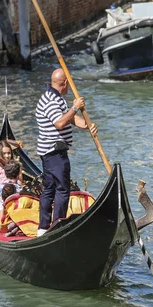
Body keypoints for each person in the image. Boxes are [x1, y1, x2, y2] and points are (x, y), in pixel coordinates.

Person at [35, 68, 98, 237]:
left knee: (49, 188)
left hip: (50, 152)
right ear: (63, 84)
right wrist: (75, 107)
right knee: (62, 189)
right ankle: (57, 227)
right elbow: (60, 123)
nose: (70, 87)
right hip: (54, 152)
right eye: (68, 84)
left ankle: (43, 228)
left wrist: (86, 125)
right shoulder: (50, 101)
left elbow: (69, 118)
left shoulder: (57, 98)